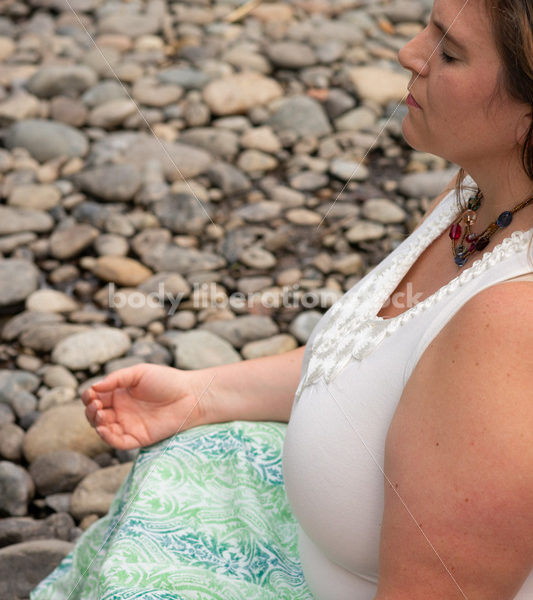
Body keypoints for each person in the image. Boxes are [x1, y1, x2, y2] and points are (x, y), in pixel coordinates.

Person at [31, 0, 533, 598]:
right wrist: (203, 394)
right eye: (429, 26)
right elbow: (390, 363)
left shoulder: (510, 324)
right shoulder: (478, 199)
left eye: (448, 53)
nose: (409, 54)